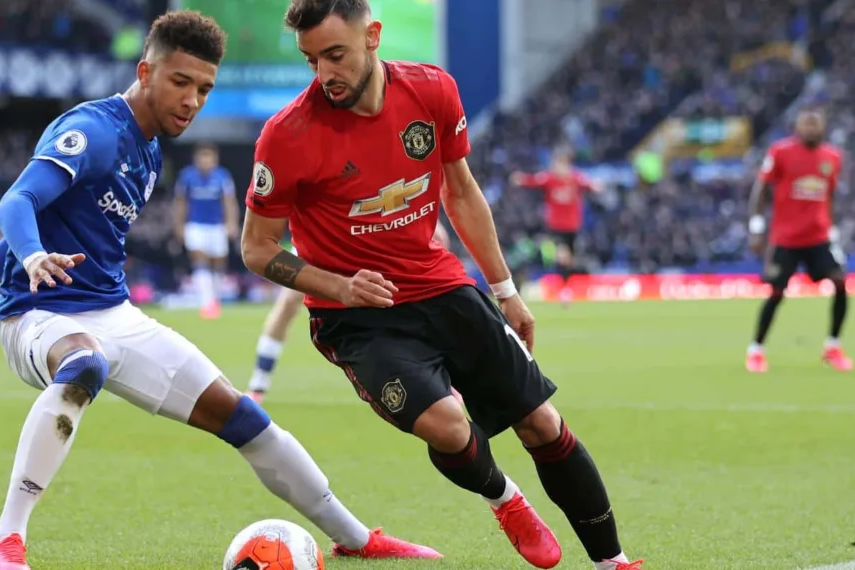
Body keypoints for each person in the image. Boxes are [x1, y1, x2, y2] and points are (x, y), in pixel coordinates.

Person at [0, 11, 438, 569]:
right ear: (145, 71)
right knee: (84, 365)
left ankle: (356, 538)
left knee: (242, 416)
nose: (192, 100)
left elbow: (56, 210)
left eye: (204, 89)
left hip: (112, 312)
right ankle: (5, 543)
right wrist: (24, 261)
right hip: (37, 316)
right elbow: (19, 201)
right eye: (181, 82)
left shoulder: (150, 149)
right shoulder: (96, 130)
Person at [239, 1, 642, 569]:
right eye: (312, 60)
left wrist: (505, 289)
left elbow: (461, 192)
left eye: (336, 54)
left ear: (373, 36)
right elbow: (256, 247)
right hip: (357, 318)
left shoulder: (431, 92)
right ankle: (506, 499)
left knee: (542, 422)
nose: (325, 74)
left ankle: (614, 562)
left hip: (440, 288)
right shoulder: (287, 135)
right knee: (449, 426)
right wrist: (339, 285)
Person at [244, 221, 452, 404]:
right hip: (325, 237)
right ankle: (259, 382)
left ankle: (446, 377)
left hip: (373, 236)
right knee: (288, 303)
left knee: (410, 300)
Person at [746, 108, 853, 373]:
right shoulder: (780, 152)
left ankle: (833, 347)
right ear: (797, 127)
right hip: (787, 239)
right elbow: (760, 189)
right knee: (777, 292)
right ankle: (756, 350)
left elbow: (831, 197)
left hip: (819, 236)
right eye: (806, 123)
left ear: (823, 127)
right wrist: (757, 227)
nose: (810, 128)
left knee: (840, 282)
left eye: (815, 124)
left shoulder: (833, 157)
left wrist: (834, 231)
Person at [510, 148, 600, 305]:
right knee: (562, 256)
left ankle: (565, 289)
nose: (557, 168)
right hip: (556, 226)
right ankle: (564, 292)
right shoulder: (549, 179)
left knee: (569, 261)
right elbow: (533, 181)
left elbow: (589, 183)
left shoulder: (575, 179)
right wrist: (521, 179)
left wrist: (597, 186)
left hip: (572, 227)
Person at [173, 143, 239, 319]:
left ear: (215, 159)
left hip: (217, 226)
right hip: (195, 225)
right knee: (199, 258)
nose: (205, 160)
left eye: (209, 156)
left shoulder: (222, 176)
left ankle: (214, 299)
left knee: (218, 262)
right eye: (202, 156)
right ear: (196, 159)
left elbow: (229, 201)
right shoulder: (187, 176)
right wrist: (179, 226)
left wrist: (232, 223)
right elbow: (180, 202)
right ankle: (207, 302)